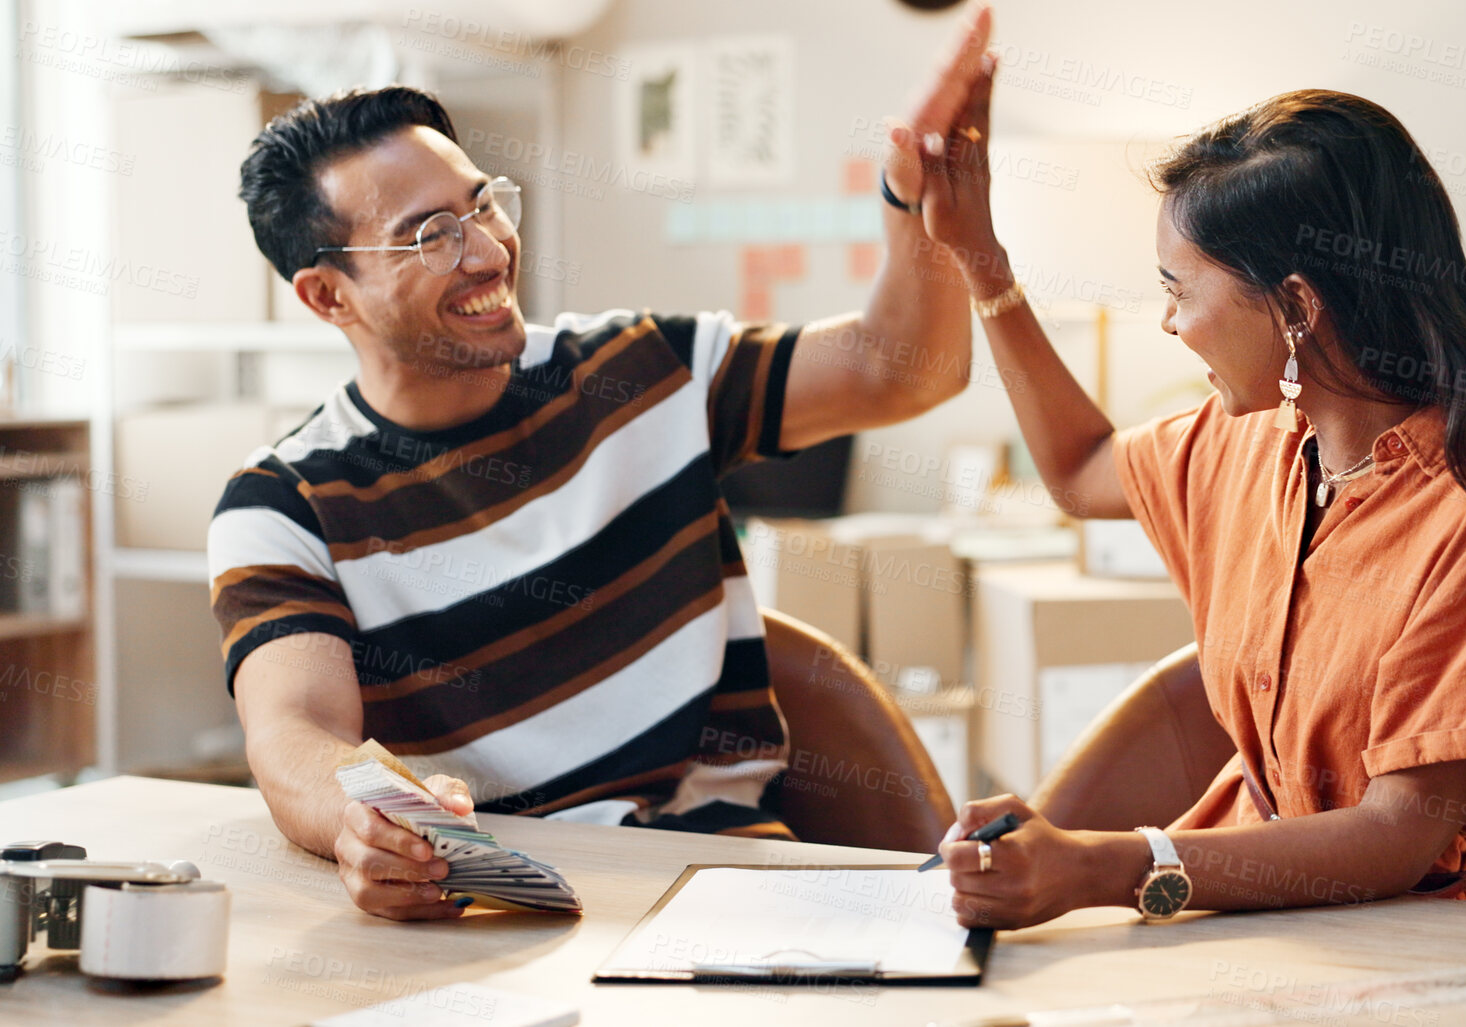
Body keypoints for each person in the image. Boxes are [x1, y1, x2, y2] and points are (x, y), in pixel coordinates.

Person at [213, 12, 999, 920]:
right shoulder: (283, 501)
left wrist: (918, 201)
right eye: (430, 235)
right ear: (326, 294)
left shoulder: (639, 368)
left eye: (482, 203)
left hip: (724, 881)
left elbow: (904, 370)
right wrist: (361, 819)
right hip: (494, 902)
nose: (486, 250)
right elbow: (295, 733)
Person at [917, 77, 1466, 927]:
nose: (1169, 323)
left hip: (1412, 953)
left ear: (1296, 305)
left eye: (1180, 291)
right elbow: (1079, 469)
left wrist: (1111, 864)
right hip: (1234, 927)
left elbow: (1394, 834)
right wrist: (980, 261)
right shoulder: (1251, 438)